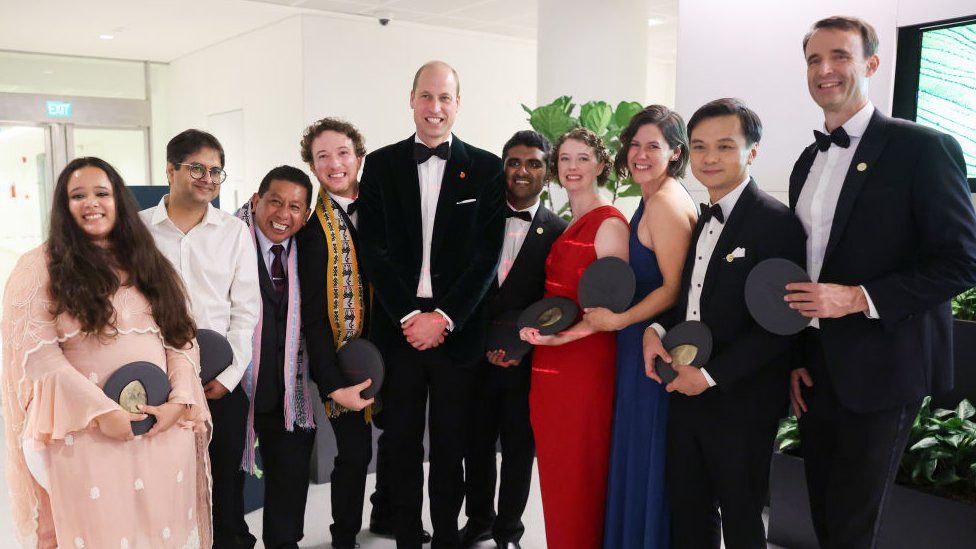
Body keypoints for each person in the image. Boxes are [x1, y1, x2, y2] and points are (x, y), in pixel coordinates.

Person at [784, 16, 976, 548]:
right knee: (823, 509)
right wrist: (798, 354)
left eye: (839, 56)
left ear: (871, 64)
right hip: (818, 369)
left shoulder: (923, 148)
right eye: (814, 59)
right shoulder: (807, 162)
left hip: (886, 365)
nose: (825, 70)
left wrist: (858, 298)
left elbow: (961, 261)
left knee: (851, 524)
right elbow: (811, 266)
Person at [1, 157, 212, 548]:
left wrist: (180, 402)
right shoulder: (39, 267)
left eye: (102, 193)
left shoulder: (149, 261)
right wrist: (101, 411)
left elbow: (180, 340)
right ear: (63, 207)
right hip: (83, 435)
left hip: (162, 431)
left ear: (119, 201)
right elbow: (39, 357)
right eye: (77, 196)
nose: (91, 203)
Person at [642, 98, 806, 549]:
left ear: (752, 152)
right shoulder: (699, 216)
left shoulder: (777, 223)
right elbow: (690, 300)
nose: (709, 158)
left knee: (741, 515)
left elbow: (783, 324)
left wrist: (711, 377)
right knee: (688, 510)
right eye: (699, 147)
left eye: (724, 146)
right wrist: (656, 331)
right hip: (685, 388)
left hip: (741, 398)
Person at [357, 60, 505, 548]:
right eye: (427, 96)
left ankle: (444, 537)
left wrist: (442, 318)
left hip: (455, 333)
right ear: (412, 99)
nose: (435, 107)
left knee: (449, 447)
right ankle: (405, 536)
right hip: (398, 332)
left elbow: (487, 256)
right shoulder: (379, 164)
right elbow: (373, 249)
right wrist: (409, 317)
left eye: (445, 98)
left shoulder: (485, 168)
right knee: (397, 447)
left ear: (458, 104)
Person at [140, 129, 261, 549]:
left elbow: (246, 311)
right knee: (162, 485)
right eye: (196, 168)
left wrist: (229, 377)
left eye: (215, 170)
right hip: (156, 382)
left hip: (218, 383)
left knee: (225, 486)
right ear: (170, 170)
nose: (207, 178)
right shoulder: (137, 231)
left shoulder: (233, 232)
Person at [589, 105, 698, 549]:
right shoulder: (654, 197)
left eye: (653, 145)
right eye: (634, 144)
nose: (639, 154)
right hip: (641, 339)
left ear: (675, 152)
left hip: (651, 343)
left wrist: (620, 319)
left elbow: (674, 290)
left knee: (648, 449)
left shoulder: (667, 203)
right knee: (638, 449)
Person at [518, 127, 630, 549]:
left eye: (583, 158)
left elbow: (614, 307)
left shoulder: (609, 224)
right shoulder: (570, 223)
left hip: (584, 365)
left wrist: (568, 338)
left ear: (601, 164)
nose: (572, 167)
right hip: (550, 365)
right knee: (557, 471)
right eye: (565, 158)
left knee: (581, 470)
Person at [460, 130, 568, 549]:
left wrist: (521, 348)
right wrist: (483, 342)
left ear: (548, 172)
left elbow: (557, 302)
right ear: (502, 167)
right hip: (474, 357)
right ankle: (479, 521)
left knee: (520, 449)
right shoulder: (475, 221)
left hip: (525, 365)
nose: (522, 171)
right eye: (514, 162)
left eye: (534, 163)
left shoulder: (559, 231)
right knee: (477, 446)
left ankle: (509, 530)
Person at [294, 118, 377, 549]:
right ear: (312, 165)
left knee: (399, 440)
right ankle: (344, 534)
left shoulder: (387, 209)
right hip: (345, 361)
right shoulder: (310, 234)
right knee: (355, 453)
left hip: (394, 351)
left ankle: (390, 515)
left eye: (343, 153)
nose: (334, 163)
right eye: (322, 156)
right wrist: (332, 385)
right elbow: (312, 319)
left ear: (358, 158)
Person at [234, 165, 316, 548]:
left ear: (306, 214)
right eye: (275, 202)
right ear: (256, 201)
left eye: (296, 207)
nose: (284, 215)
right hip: (236, 383)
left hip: (291, 388)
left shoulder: (313, 250)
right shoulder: (230, 242)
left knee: (291, 478)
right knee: (226, 484)